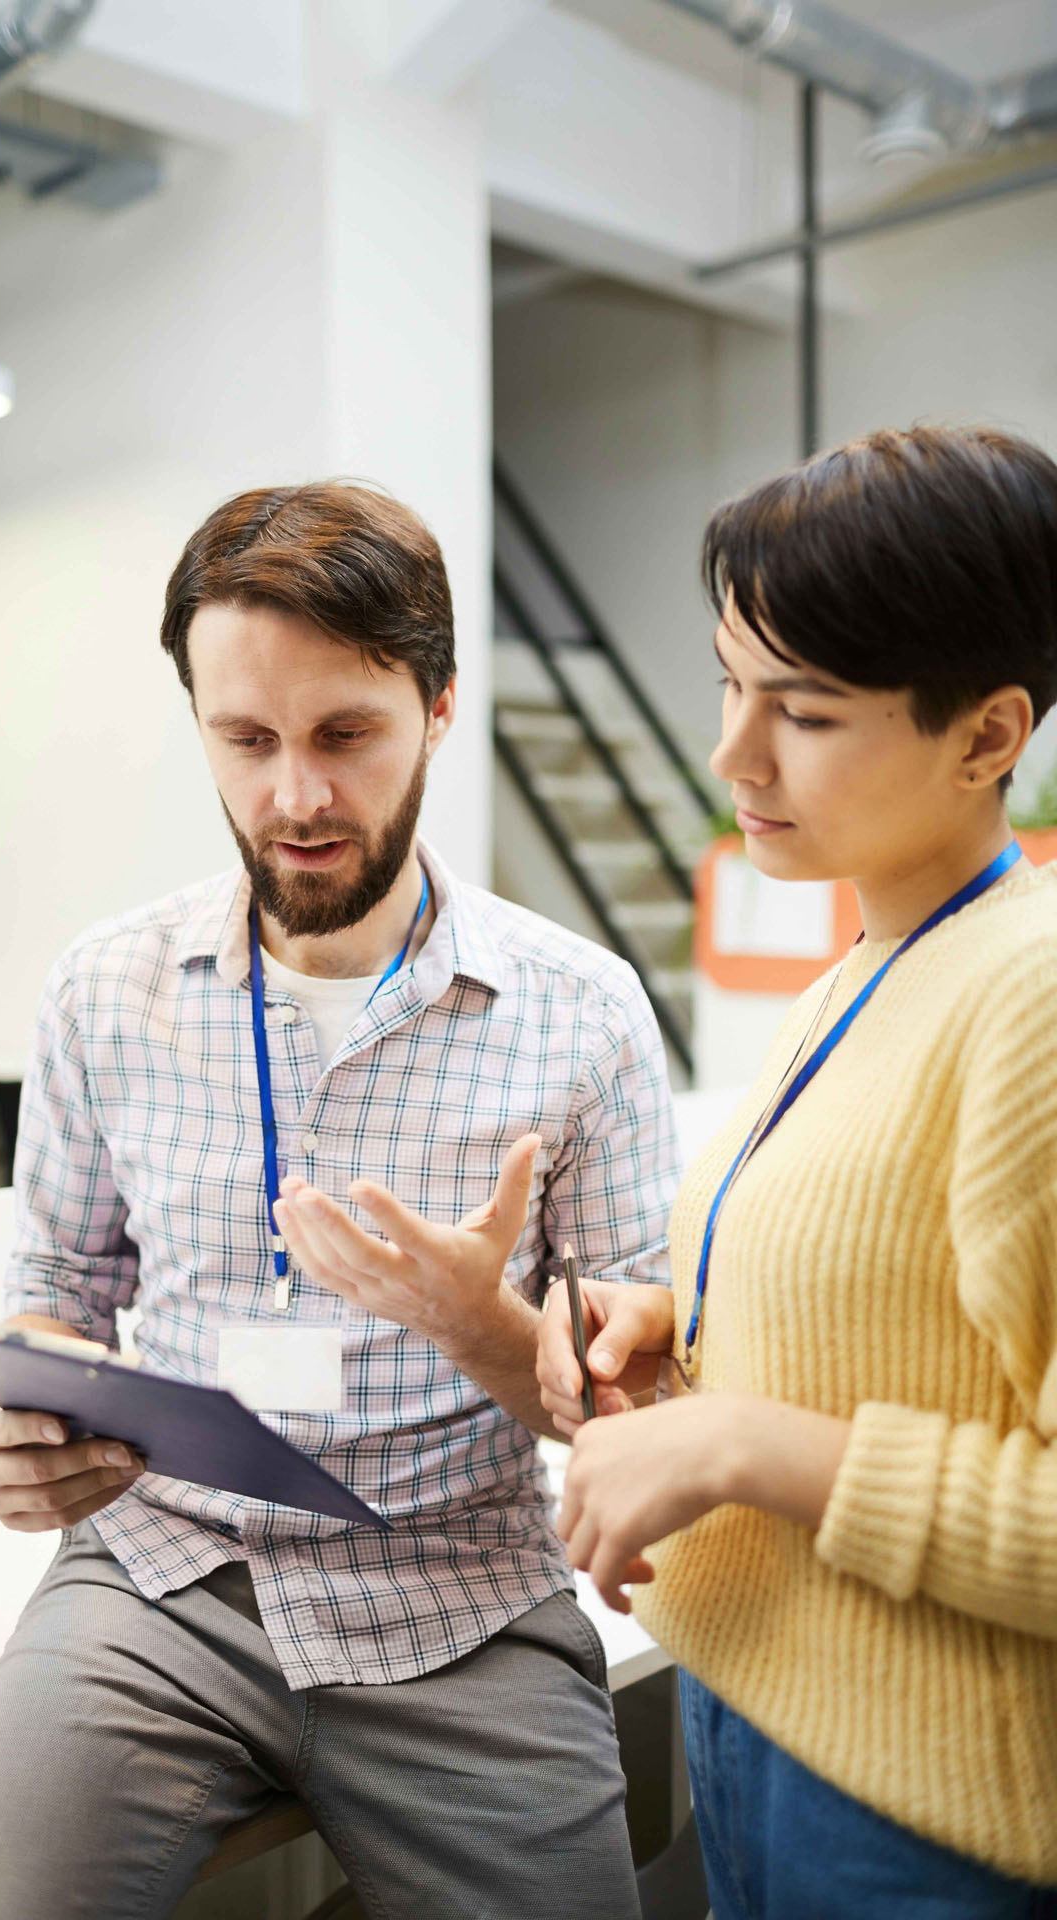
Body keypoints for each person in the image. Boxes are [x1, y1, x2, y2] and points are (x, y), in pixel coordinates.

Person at [0, 481, 679, 1920]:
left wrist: (474, 1323)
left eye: (344, 736)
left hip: (458, 1599)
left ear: (439, 707)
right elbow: (56, 1297)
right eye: (244, 740)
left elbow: (643, 1422)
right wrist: (31, 1430)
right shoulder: (104, 989)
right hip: (159, 1583)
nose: (294, 797)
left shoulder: (585, 1015)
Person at [538, 424, 1057, 1919]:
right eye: (730, 685)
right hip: (763, 1728)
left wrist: (744, 1448)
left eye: (807, 712)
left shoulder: (1025, 996)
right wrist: (682, 1333)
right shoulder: (872, 964)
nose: (731, 757)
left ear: (988, 734)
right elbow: (904, 1329)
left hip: (920, 1820)